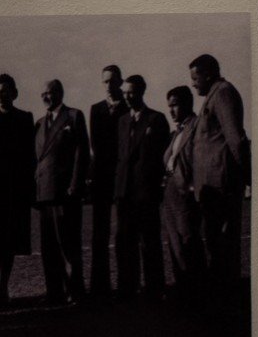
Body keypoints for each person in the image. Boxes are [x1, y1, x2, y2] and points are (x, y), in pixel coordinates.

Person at [187, 53, 248, 300]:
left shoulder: (222, 92)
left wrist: (245, 176)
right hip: (212, 188)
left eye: (195, 78)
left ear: (209, 74)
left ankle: (227, 300)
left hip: (221, 186)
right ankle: (222, 296)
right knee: (216, 243)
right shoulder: (215, 94)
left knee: (222, 244)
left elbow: (236, 139)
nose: (193, 83)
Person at [113, 73, 170, 296]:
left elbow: (161, 158)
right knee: (125, 242)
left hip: (146, 192)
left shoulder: (157, 119)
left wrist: (155, 186)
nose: (127, 96)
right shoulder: (122, 121)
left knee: (149, 242)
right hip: (124, 192)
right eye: (124, 92)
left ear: (142, 91)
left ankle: (154, 288)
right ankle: (127, 287)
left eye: (131, 92)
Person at [34, 78, 89, 306]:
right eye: (43, 94)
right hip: (44, 194)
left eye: (50, 92)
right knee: (48, 248)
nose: (47, 97)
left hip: (65, 193)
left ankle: (74, 291)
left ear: (60, 93)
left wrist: (75, 186)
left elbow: (82, 153)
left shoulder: (74, 116)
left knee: (68, 244)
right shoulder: (38, 124)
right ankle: (53, 291)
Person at [86, 64, 125, 295]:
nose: (108, 86)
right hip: (102, 178)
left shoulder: (128, 108)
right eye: (105, 81)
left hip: (122, 178)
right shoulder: (96, 109)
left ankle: (124, 285)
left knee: (123, 232)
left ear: (120, 81)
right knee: (99, 234)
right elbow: (96, 146)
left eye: (112, 81)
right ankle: (99, 286)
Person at [161, 85, 201, 295]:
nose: (171, 110)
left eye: (175, 105)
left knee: (188, 242)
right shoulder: (174, 133)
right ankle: (183, 290)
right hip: (170, 193)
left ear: (187, 104)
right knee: (175, 244)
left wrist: (192, 185)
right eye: (169, 106)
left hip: (186, 192)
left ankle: (195, 291)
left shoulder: (197, 125)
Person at [0, 75, 32, 304]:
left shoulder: (24, 118)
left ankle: (3, 287)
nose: (3, 95)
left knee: (9, 242)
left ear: (14, 93)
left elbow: (30, 155)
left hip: (14, 191)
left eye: (6, 91)